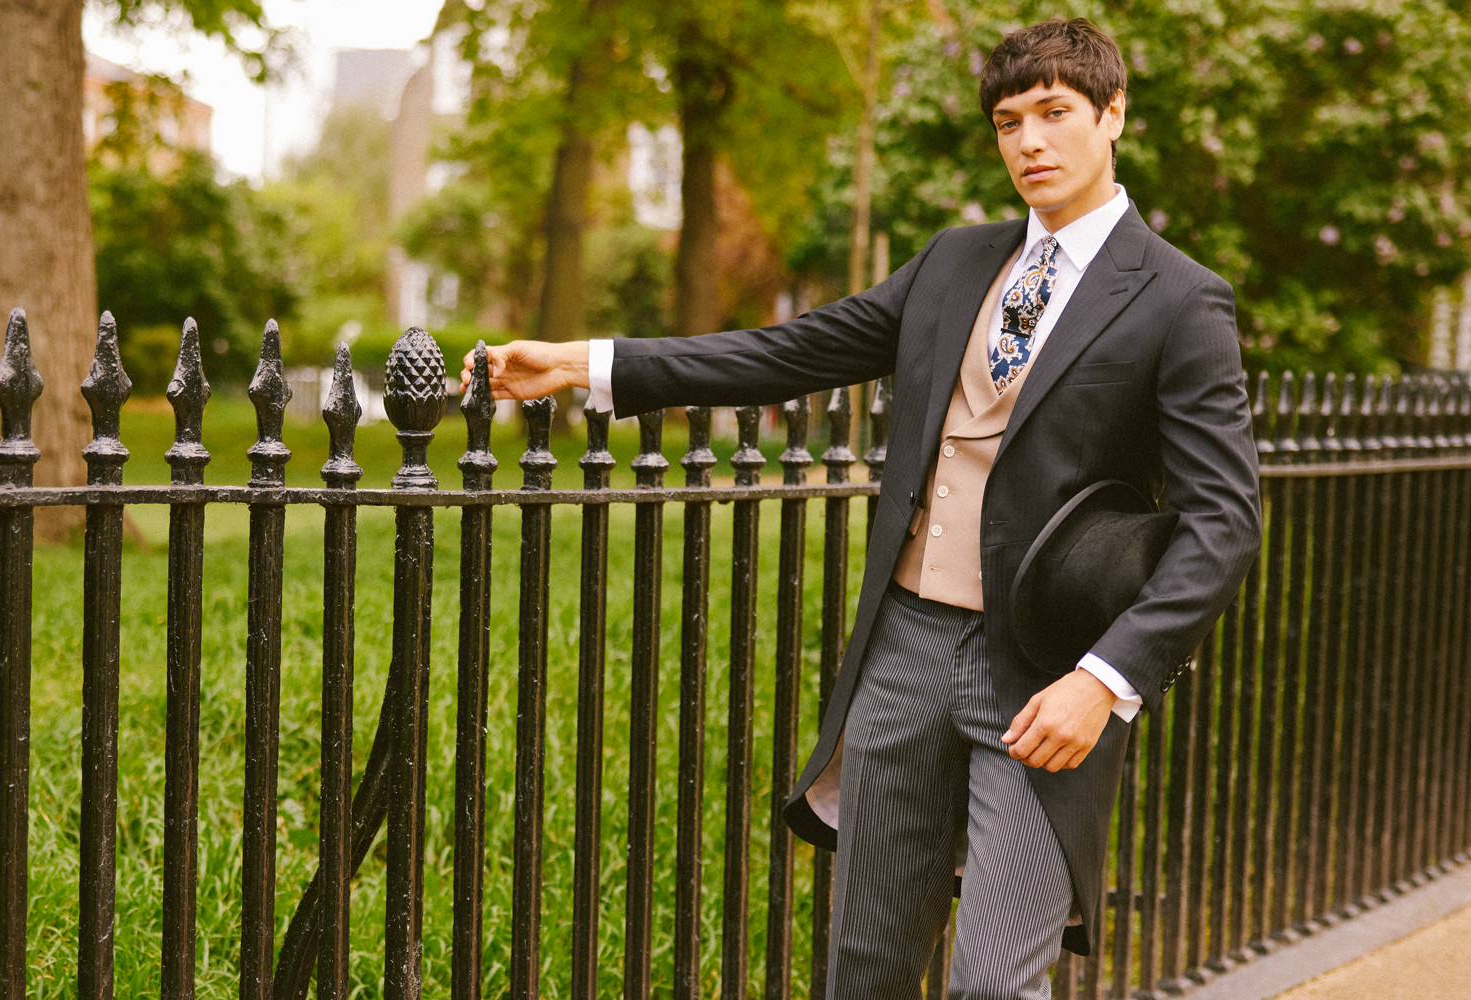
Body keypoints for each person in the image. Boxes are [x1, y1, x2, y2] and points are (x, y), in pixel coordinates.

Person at [464, 17, 1261, 999]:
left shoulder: (1179, 300)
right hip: (907, 650)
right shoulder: (954, 262)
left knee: (990, 985)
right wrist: (588, 364)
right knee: (867, 972)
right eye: (1010, 122)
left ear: (1113, 114)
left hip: (1046, 667)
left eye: (1055, 114)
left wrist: (1105, 678)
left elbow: (1223, 521)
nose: (1030, 144)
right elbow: (787, 352)